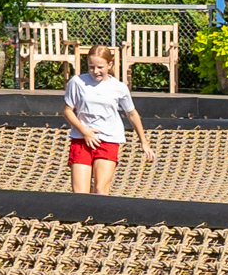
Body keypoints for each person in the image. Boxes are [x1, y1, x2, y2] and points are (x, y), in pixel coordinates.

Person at [61, 45, 157, 195]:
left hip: (108, 140)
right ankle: (80, 217)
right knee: (80, 194)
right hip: (82, 139)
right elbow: (67, 111)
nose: (95, 71)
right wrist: (84, 131)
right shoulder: (77, 82)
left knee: (100, 189)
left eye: (100, 67)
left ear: (109, 65)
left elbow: (131, 113)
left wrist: (144, 142)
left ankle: (99, 218)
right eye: (91, 67)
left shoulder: (119, 87)